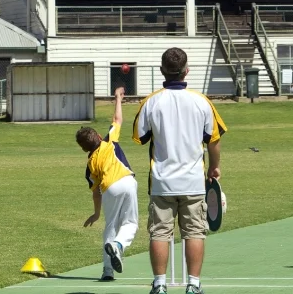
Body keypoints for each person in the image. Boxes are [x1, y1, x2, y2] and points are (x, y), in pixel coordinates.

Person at [134, 47, 227, 294]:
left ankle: (159, 284)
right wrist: (215, 168)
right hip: (194, 181)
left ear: (162, 70)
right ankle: (193, 285)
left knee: (160, 233)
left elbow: (140, 137)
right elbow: (214, 140)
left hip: (162, 182)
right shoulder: (202, 101)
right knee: (195, 232)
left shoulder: (150, 102)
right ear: (186, 71)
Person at [76, 86, 139, 282]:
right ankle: (119, 246)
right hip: (127, 181)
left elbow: (96, 192)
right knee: (130, 223)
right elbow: (118, 119)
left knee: (110, 227)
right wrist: (118, 98)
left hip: (109, 189)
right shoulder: (109, 141)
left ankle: (107, 271)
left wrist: (96, 213)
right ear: (97, 136)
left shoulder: (90, 163)